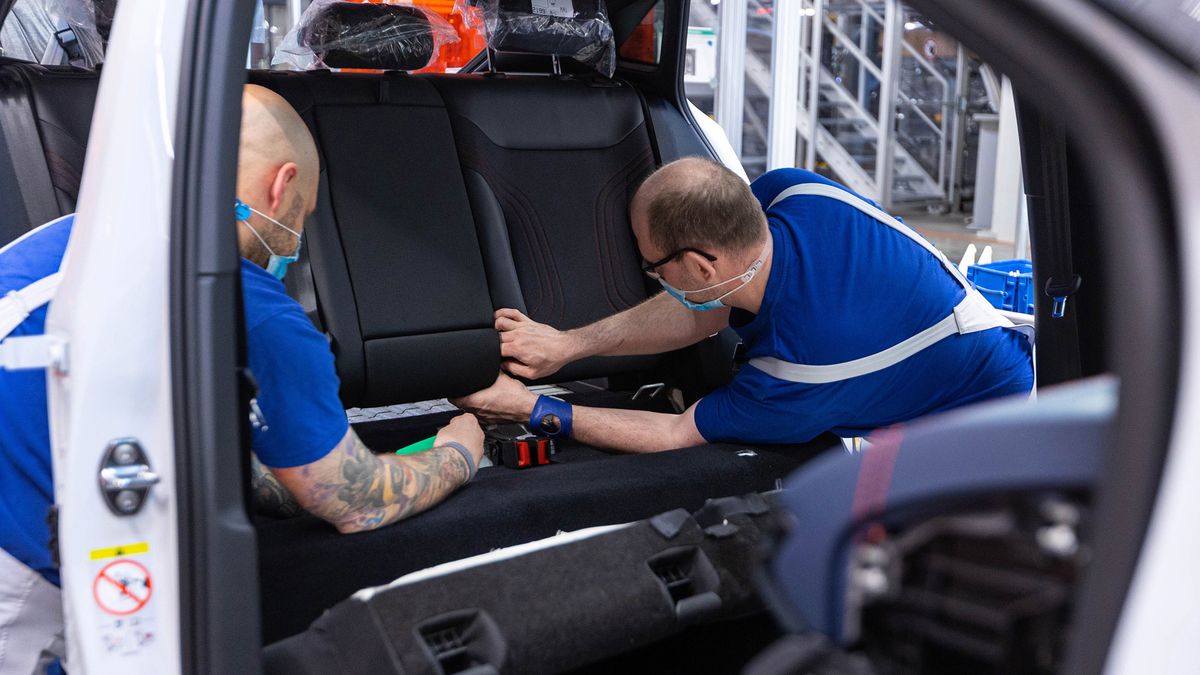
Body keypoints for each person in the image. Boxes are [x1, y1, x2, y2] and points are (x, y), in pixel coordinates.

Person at [0, 84, 484, 674]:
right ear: (279, 187)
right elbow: (356, 502)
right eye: (301, 216)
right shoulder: (245, 304)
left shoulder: (72, 236)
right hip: (20, 587)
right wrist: (459, 454)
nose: (296, 244)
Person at [453, 158, 1033, 452]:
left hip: (981, 432)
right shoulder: (793, 191)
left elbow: (677, 434)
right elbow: (708, 305)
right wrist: (567, 346)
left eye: (653, 264)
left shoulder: (800, 369)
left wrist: (526, 407)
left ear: (700, 265)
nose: (650, 273)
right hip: (947, 344)